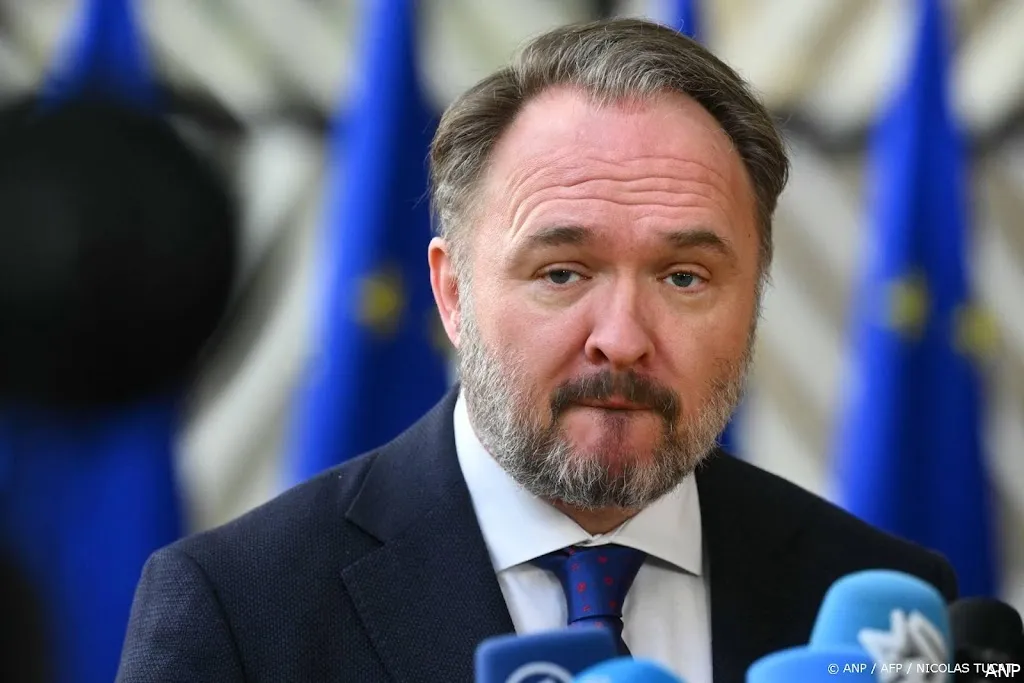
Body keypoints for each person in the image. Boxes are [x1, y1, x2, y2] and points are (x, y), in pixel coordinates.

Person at [116, 18, 957, 683]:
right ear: (452, 292)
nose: (621, 336)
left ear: (756, 296)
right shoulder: (240, 609)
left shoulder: (887, 610)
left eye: (685, 277)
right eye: (562, 272)